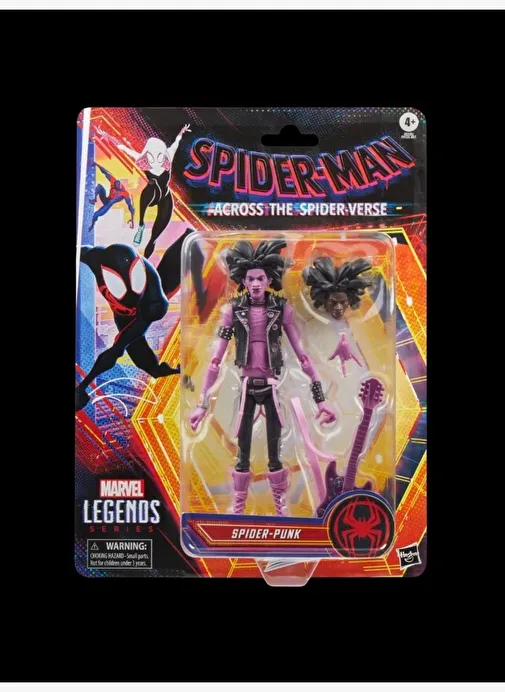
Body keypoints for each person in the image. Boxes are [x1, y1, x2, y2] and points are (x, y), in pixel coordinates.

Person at [188, 239, 337, 517]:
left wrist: (321, 401)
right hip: (247, 387)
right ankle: (239, 506)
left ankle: (280, 506)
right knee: (242, 453)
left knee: (274, 453)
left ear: (269, 279)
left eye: (260, 278)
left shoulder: (282, 309)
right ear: (243, 280)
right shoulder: (232, 311)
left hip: (271, 387)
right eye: (250, 279)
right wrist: (202, 404)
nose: (255, 284)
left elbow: (303, 356)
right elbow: (215, 360)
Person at [89, 162, 134, 230]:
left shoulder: (125, 193)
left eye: (118, 188)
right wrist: (96, 164)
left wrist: (132, 219)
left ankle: (92, 225)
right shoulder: (113, 180)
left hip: (108, 204)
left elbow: (130, 206)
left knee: (95, 215)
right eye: (116, 187)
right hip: (106, 199)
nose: (117, 188)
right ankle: (94, 200)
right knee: (99, 186)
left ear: (121, 186)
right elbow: (105, 172)